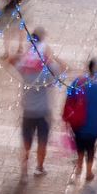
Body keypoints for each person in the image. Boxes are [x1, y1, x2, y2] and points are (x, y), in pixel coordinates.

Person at [5, 29, 60, 178]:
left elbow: (9, 60)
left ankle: (24, 169)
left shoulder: (25, 68)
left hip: (28, 111)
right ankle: (39, 167)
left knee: (26, 142)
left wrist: (23, 54)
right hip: (43, 111)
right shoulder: (47, 70)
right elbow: (61, 70)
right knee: (42, 142)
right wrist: (49, 56)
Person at [70, 60, 97, 182]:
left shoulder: (78, 82)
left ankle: (79, 166)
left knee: (80, 144)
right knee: (91, 147)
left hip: (78, 123)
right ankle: (89, 172)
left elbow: (69, 100)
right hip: (93, 124)